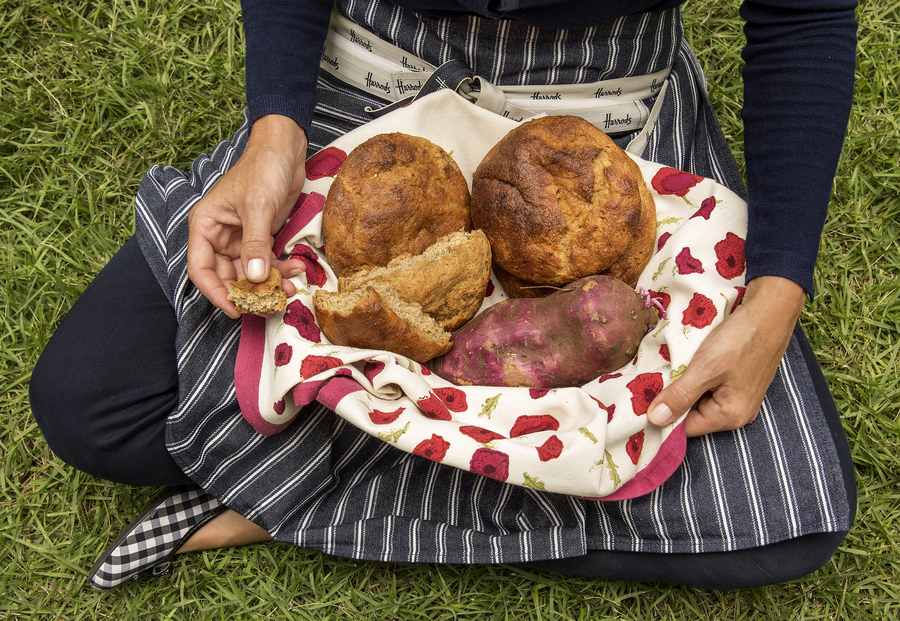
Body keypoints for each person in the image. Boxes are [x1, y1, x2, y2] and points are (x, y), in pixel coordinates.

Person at [29, 0, 858, 590]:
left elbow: (803, 15)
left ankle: (290, 484)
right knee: (92, 403)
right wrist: (276, 131)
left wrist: (779, 289)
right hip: (367, 103)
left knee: (786, 526)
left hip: (610, 141)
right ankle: (417, 473)